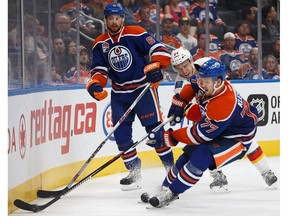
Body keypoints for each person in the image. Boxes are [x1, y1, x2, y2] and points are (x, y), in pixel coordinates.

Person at [144, 57, 278, 208]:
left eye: (206, 81)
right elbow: (193, 85)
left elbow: (199, 135)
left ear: (219, 81)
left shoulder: (224, 103)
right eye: (202, 79)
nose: (202, 84)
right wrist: (180, 102)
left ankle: (172, 193)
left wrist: (171, 137)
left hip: (236, 138)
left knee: (201, 156)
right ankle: (164, 187)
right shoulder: (210, 82)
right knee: (187, 155)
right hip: (223, 127)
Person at [86, 2, 174, 191]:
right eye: (111, 18)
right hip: (120, 95)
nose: (114, 22)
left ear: (123, 19)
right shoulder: (100, 43)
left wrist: (156, 66)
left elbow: (158, 50)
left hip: (143, 90)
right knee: (122, 136)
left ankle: (171, 171)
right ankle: (134, 171)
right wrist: (96, 84)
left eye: (118, 18)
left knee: (156, 134)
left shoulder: (135, 33)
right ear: (106, 20)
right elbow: (99, 70)